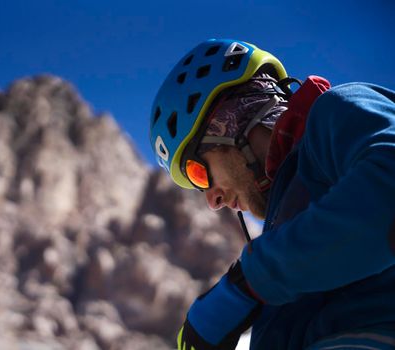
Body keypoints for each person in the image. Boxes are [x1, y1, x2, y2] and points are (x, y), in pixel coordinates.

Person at [149, 38, 395, 349]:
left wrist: (250, 282)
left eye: (200, 173)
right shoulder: (289, 235)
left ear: (229, 123)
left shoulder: (336, 111)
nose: (213, 200)